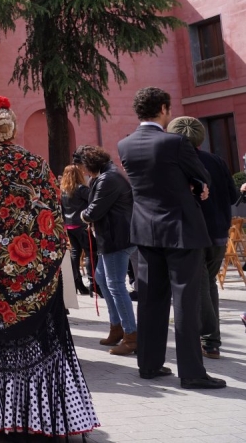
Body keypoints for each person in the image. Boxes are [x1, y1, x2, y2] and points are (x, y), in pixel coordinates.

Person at [0, 96, 99, 439]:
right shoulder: (37, 165)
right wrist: (38, 262)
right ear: (14, 127)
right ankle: (39, 416)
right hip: (37, 278)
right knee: (39, 348)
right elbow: (54, 222)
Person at [117, 87, 224, 389]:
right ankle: (191, 372)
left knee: (150, 300)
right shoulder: (175, 142)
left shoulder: (124, 144)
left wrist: (193, 183)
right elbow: (203, 177)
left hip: (146, 232)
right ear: (163, 108)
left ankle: (149, 365)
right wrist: (197, 186)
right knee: (185, 302)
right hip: (181, 231)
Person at [167, 116, 239, 360]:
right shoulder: (217, 160)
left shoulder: (176, 164)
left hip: (194, 234)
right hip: (218, 233)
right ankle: (211, 340)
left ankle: (209, 339)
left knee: (200, 286)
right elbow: (231, 196)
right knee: (208, 284)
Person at [75, 146, 137, 356]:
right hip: (111, 238)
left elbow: (93, 211)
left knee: (116, 285)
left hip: (116, 239)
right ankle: (117, 327)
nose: (82, 171)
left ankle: (131, 336)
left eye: (82, 166)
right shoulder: (106, 176)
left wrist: (83, 216)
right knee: (102, 278)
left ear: (89, 164)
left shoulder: (108, 179)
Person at [60, 164, 93, 296]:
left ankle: (77, 282)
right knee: (90, 253)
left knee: (75, 253)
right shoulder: (82, 189)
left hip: (69, 225)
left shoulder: (63, 190)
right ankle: (92, 284)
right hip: (82, 224)